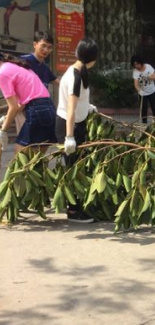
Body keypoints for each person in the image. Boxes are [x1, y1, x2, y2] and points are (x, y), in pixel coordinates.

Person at [56, 37, 99, 223]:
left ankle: (78, 205)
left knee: (79, 165)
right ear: (92, 58)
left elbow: (79, 102)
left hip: (78, 124)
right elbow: (71, 109)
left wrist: (88, 106)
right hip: (69, 125)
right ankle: (73, 211)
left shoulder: (79, 71)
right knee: (74, 168)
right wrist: (69, 137)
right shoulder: (74, 76)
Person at [0, 52, 56, 154]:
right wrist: (7, 117)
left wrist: (3, 131)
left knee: (20, 158)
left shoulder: (2, 73)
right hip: (50, 109)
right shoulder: (17, 65)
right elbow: (21, 104)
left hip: (37, 110)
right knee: (37, 160)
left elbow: (13, 107)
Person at [130, 54, 155, 124]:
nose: (136, 66)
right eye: (134, 65)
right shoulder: (135, 71)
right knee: (143, 110)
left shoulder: (148, 67)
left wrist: (149, 76)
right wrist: (139, 91)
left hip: (152, 91)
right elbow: (136, 84)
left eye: (137, 64)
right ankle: (144, 125)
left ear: (141, 62)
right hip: (143, 93)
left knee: (154, 109)